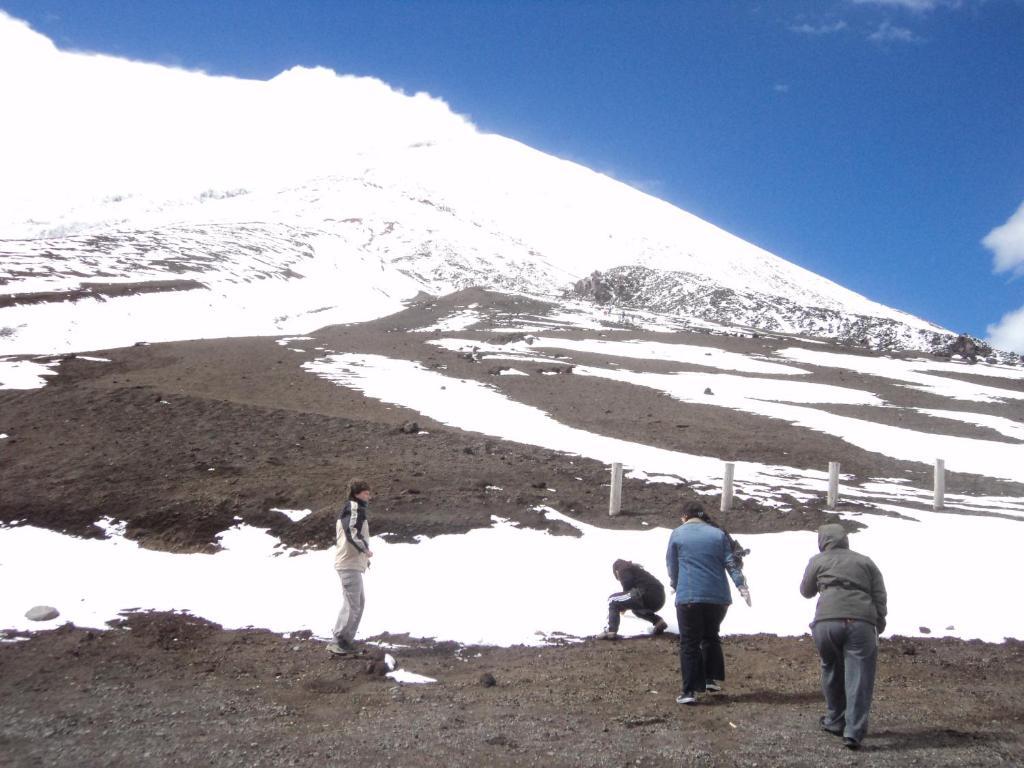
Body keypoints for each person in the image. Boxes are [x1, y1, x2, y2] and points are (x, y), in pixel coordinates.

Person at [800, 523, 887, 751]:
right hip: (860, 621)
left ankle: (834, 720)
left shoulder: (818, 560)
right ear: (845, 539)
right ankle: (853, 732)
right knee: (858, 675)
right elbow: (879, 594)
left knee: (831, 668)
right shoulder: (865, 561)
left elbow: (806, 591)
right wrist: (880, 620)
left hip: (826, 621)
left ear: (822, 541)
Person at [666, 501, 750, 705]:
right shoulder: (718, 534)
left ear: (685, 517)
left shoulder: (677, 534)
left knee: (689, 642)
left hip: (689, 596)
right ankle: (710, 679)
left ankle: (689, 691)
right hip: (718, 599)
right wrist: (741, 585)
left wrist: (676, 583)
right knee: (711, 635)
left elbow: (672, 564)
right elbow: (730, 562)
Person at [327, 479, 374, 656]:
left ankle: (345, 640)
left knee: (359, 603)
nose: (368, 496)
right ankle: (338, 640)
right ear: (356, 493)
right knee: (353, 603)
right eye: (365, 493)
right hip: (348, 564)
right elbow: (351, 532)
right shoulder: (353, 508)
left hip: (352, 563)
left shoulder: (356, 509)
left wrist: (363, 556)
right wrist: (365, 549)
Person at [597, 559, 668, 640]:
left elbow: (627, 583)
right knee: (636, 610)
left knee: (612, 599)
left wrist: (623, 604)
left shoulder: (621, 567)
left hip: (646, 594)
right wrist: (625, 603)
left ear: (616, 571)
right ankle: (658, 622)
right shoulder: (634, 569)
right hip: (659, 599)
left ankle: (610, 631)